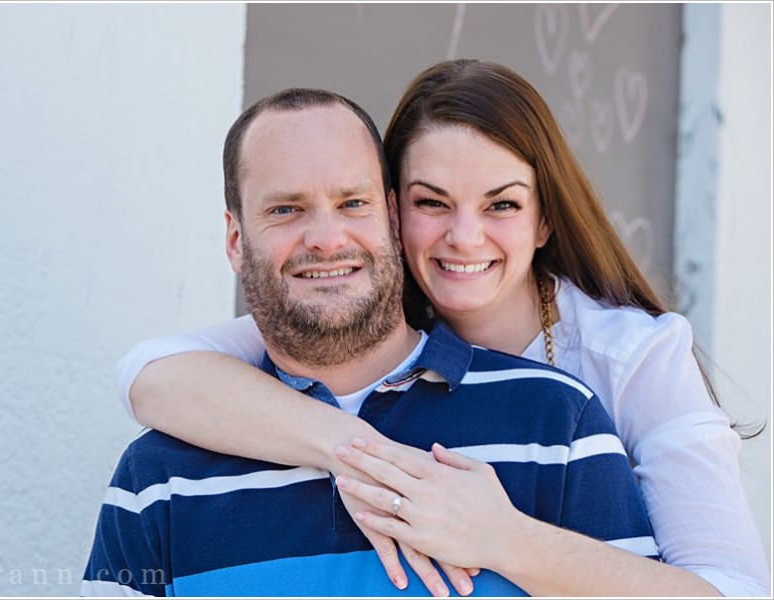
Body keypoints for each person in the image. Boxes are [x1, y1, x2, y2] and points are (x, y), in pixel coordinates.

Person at [114, 61, 769, 597]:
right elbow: (153, 377)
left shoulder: (623, 362)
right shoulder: (348, 313)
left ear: (544, 220)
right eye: (432, 202)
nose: (464, 236)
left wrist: (501, 537)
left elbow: (733, 590)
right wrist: (363, 455)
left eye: (501, 204)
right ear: (395, 214)